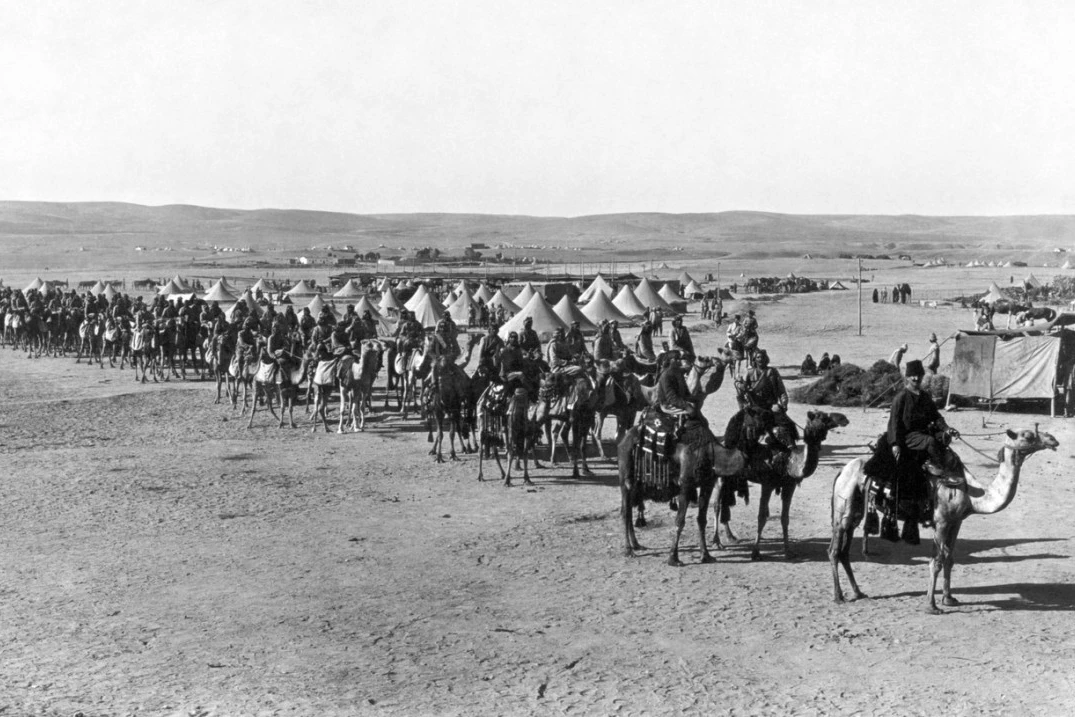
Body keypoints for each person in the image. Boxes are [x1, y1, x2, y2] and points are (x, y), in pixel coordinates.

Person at [888, 359, 957, 481]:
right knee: (930, 441)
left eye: (919, 375)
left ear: (922, 376)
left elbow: (935, 416)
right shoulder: (901, 398)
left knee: (944, 438)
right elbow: (894, 422)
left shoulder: (925, 396)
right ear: (907, 377)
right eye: (912, 376)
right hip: (908, 436)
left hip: (924, 432)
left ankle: (945, 464)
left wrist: (947, 429)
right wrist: (895, 444)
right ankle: (938, 469)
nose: (916, 378)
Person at [738, 349, 795, 448]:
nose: (760, 359)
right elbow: (740, 387)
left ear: (766, 359)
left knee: (784, 422)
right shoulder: (749, 373)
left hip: (770, 404)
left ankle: (790, 443)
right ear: (754, 359)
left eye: (762, 357)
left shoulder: (772, 372)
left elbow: (781, 390)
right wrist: (741, 387)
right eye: (758, 357)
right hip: (754, 405)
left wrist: (784, 403)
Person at [655, 350, 696, 418]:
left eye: (679, 359)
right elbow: (671, 398)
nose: (679, 361)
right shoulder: (665, 376)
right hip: (668, 405)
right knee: (692, 418)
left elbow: (685, 390)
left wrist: (691, 398)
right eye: (676, 359)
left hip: (678, 401)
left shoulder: (677, 372)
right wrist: (686, 406)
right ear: (671, 360)